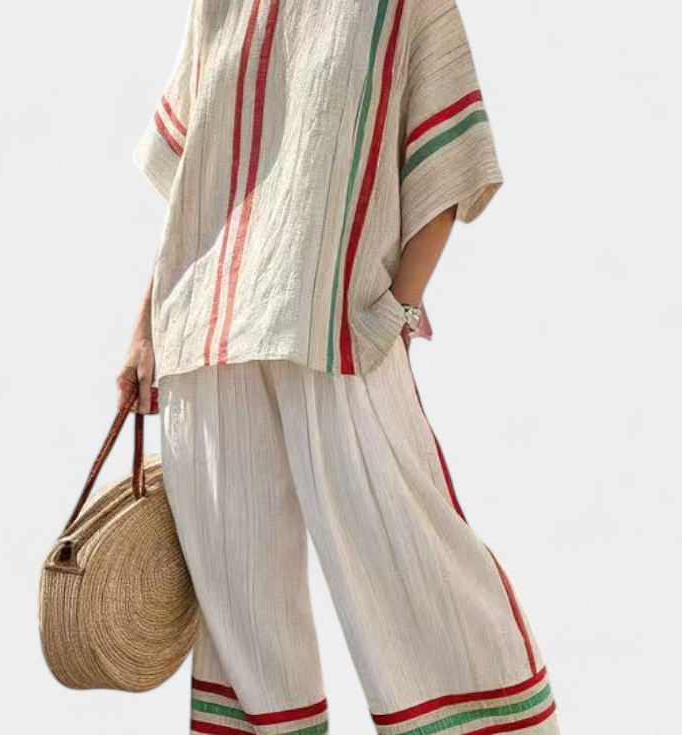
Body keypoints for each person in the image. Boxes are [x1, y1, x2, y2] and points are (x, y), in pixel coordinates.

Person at [118, 1, 563, 733]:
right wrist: (146, 331)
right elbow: (194, 179)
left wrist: (396, 310)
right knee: (241, 615)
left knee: (406, 559)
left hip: (331, 328)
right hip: (207, 333)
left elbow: (448, 168)